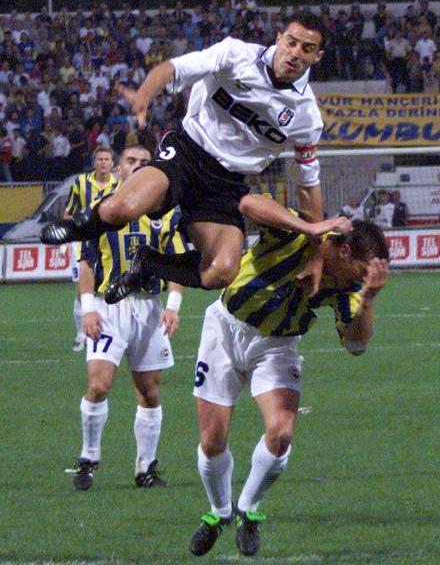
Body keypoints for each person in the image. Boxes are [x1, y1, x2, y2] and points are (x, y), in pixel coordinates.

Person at [41, 11, 351, 298]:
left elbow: (308, 188)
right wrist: (145, 95)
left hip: (226, 184)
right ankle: (80, 228)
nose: (295, 53)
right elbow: (172, 68)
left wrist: (316, 255)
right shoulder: (236, 55)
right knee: (119, 210)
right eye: (291, 42)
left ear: (317, 56)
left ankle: (149, 264)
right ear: (279, 38)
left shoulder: (306, 116)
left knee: (221, 271)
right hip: (186, 154)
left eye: (307, 48)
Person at [188, 198, 389, 557]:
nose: (357, 282)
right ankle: (219, 512)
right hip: (224, 328)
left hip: (277, 346)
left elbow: (356, 345)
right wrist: (311, 228)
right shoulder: (297, 235)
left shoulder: (345, 290)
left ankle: (247, 509)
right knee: (211, 442)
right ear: (343, 251)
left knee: (281, 434)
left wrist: (369, 298)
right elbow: (247, 204)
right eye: (359, 273)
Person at [69, 145, 187, 491]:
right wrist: (88, 307)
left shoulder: (167, 214)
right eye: (131, 161)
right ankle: (89, 457)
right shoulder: (101, 209)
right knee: (98, 385)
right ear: (119, 169)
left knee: (149, 392)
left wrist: (173, 305)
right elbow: (87, 261)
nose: (137, 166)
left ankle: (145, 468)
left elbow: (178, 261)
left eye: (145, 163)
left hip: (148, 309)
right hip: (108, 308)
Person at [64, 147, 119, 351]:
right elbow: (68, 213)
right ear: (94, 162)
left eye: (107, 159)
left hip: (109, 240)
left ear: (112, 163)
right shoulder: (80, 183)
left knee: (106, 283)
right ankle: (81, 333)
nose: (103, 162)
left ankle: (109, 326)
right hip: (84, 241)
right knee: (82, 287)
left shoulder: (118, 184)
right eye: (100, 159)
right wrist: (74, 229)